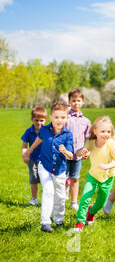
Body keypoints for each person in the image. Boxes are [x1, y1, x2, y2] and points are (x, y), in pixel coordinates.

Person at [24, 101, 74, 233]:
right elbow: (38, 139)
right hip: (44, 166)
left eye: (62, 117)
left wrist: (66, 152)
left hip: (60, 169)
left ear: (67, 118)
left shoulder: (67, 134)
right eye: (56, 117)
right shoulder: (44, 130)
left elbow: (70, 155)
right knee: (48, 191)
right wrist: (30, 150)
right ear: (51, 117)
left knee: (60, 196)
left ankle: (58, 219)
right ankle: (45, 222)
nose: (59, 120)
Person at [74, 116, 115, 231]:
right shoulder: (90, 142)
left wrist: (107, 166)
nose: (106, 134)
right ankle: (80, 222)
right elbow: (79, 154)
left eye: (108, 132)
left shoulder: (111, 143)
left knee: (100, 203)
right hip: (93, 176)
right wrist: (83, 153)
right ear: (95, 131)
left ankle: (91, 212)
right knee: (85, 197)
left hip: (107, 178)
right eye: (103, 131)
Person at [65, 89, 92, 212]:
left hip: (78, 156)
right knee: (62, 178)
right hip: (64, 155)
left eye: (78, 101)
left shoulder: (86, 121)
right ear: (69, 102)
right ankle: (61, 197)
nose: (76, 103)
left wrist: (87, 151)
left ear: (82, 102)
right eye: (73, 100)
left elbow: (88, 138)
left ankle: (74, 201)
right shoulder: (65, 118)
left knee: (75, 178)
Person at [21, 106, 47, 206]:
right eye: (36, 120)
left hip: (45, 160)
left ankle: (46, 199)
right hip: (32, 160)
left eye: (42, 120)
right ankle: (34, 199)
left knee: (46, 180)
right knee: (33, 180)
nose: (39, 123)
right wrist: (24, 155)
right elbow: (24, 145)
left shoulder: (47, 131)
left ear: (45, 120)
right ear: (32, 119)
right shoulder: (29, 131)